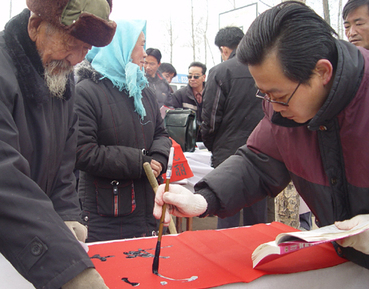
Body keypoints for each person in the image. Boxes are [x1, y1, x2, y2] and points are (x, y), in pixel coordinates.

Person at [154, 1, 369, 270]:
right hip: (344, 265)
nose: (273, 107)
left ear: (322, 72)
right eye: (264, 94)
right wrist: (201, 199)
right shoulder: (283, 110)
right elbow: (257, 161)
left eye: (279, 96)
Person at [0, 0, 120, 289]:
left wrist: (66, 214)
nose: (76, 59)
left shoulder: (57, 69)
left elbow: (63, 161)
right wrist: (70, 270)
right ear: (35, 26)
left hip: (35, 245)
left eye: (87, 49)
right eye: (70, 43)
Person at [75, 20, 171, 242]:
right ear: (122, 47)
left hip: (148, 204)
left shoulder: (141, 90)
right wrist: (140, 163)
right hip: (108, 211)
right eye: (140, 46)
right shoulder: (87, 92)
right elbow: (82, 151)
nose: (145, 54)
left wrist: (157, 158)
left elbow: (161, 133)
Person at [201, 26, 266, 229]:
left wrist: (212, 144)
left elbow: (210, 118)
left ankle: (224, 259)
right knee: (256, 216)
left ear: (224, 49)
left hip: (228, 152)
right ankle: (258, 256)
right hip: (262, 151)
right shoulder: (264, 67)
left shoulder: (221, 71)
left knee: (226, 209)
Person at [165, 61, 207, 141]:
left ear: (204, 77)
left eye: (196, 77)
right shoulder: (179, 95)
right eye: (189, 76)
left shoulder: (211, 94)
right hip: (187, 140)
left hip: (208, 140)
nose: (192, 79)